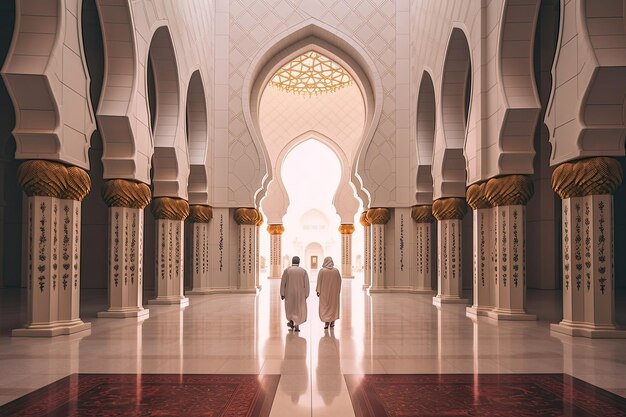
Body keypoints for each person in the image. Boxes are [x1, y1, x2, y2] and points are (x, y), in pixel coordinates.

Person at [280, 256, 310, 332]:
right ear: (299, 262)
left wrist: (282, 293)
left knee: (290, 308)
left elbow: (283, 282)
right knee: (298, 309)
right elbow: (306, 284)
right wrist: (306, 294)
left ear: (292, 261)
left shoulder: (287, 270)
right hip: (300, 293)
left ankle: (291, 321)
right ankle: (297, 325)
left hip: (289, 292)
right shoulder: (303, 271)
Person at [316, 256, 341, 329]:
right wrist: (337, 290)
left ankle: (326, 323)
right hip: (334, 293)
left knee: (325, 306)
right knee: (333, 306)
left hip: (324, 293)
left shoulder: (322, 271)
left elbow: (319, 282)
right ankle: (332, 323)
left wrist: (318, 290)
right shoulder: (336, 271)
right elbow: (339, 281)